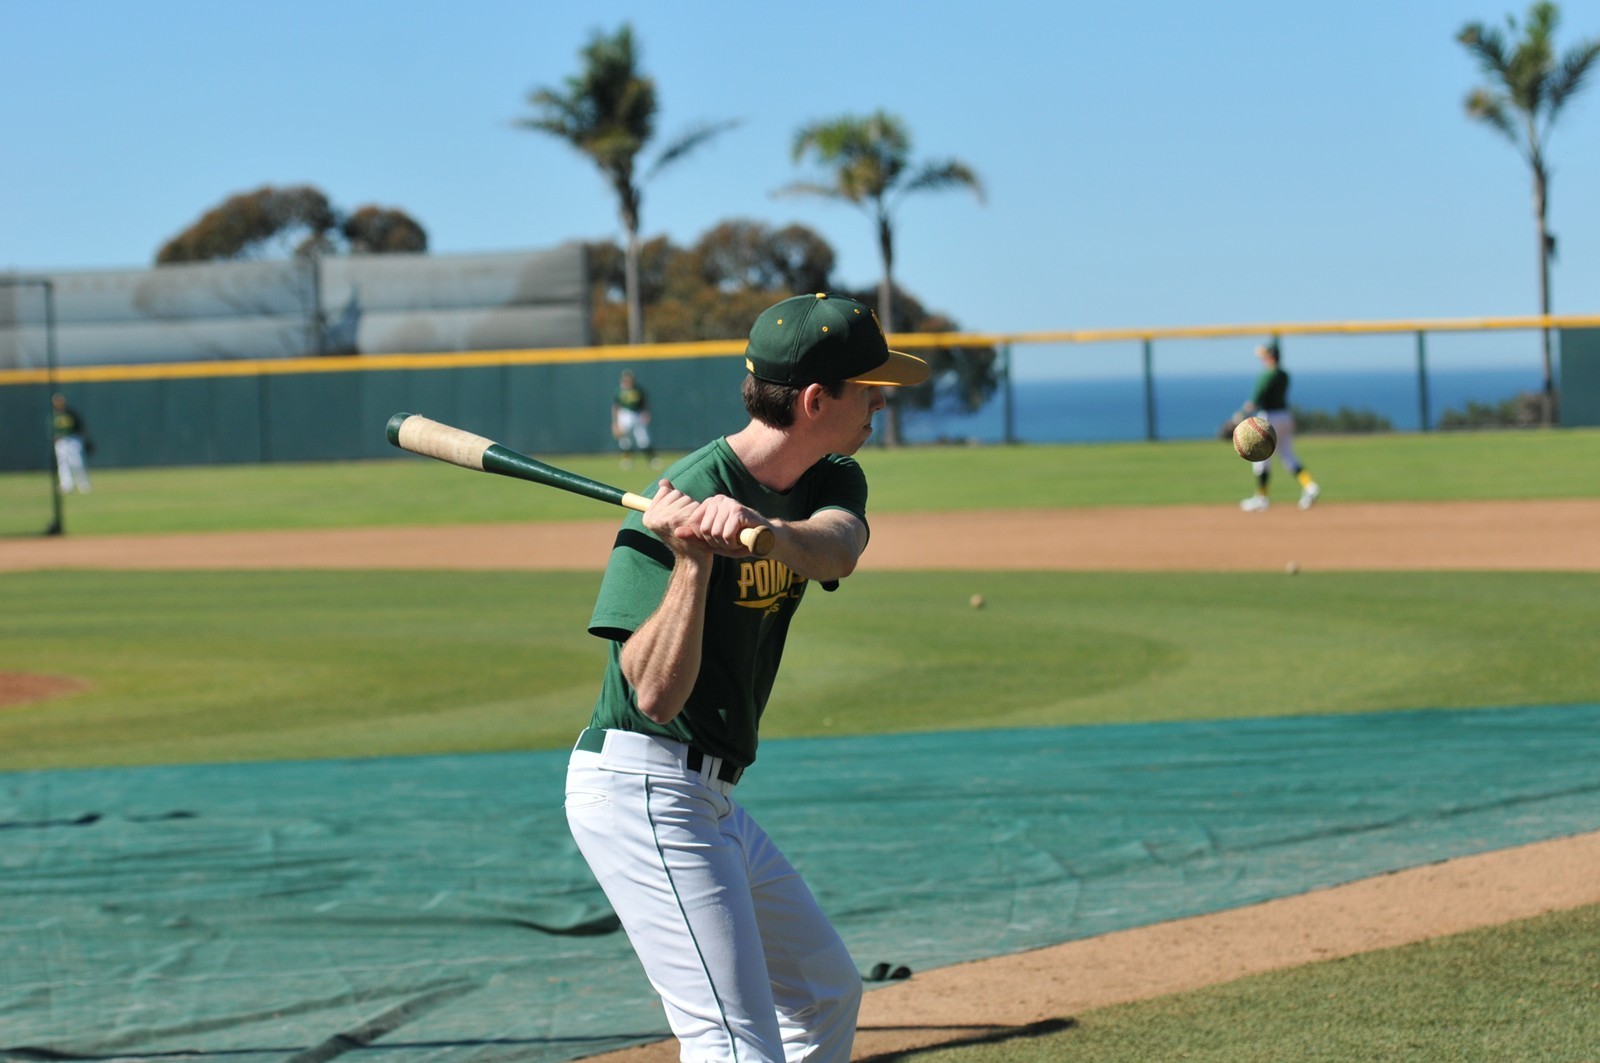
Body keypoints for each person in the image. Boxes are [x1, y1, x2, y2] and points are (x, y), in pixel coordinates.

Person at [565, 292, 929, 1062]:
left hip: (711, 796)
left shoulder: (829, 477)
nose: (878, 403)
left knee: (826, 993)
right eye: (868, 388)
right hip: (641, 788)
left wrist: (764, 530)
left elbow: (836, 549)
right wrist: (693, 560)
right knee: (735, 1043)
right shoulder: (680, 495)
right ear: (814, 399)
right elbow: (654, 696)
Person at [1235, 341, 1319, 512]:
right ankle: (1309, 486)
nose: (1262, 359)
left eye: (1264, 355)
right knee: (1288, 455)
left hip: (1269, 418)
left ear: (1271, 356)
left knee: (1261, 461)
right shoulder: (1284, 375)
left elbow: (1253, 402)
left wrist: (1239, 416)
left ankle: (1262, 497)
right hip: (1285, 416)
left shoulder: (1266, 375)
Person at [611, 369, 659, 469]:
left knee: (643, 438)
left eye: (629, 379)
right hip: (624, 414)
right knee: (625, 439)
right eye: (626, 379)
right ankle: (627, 459)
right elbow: (615, 407)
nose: (628, 381)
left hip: (637, 414)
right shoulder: (619, 390)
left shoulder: (638, 390)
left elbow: (645, 403)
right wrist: (615, 422)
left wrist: (646, 413)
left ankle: (651, 459)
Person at [51, 393, 92, 494]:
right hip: (61, 441)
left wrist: (83, 438)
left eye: (60, 402)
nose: (59, 404)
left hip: (73, 439)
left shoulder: (71, 413)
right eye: (57, 402)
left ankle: (83, 484)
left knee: (77, 462)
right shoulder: (53, 415)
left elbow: (79, 426)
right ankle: (66, 485)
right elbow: (51, 429)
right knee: (63, 463)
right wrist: (54, 436)